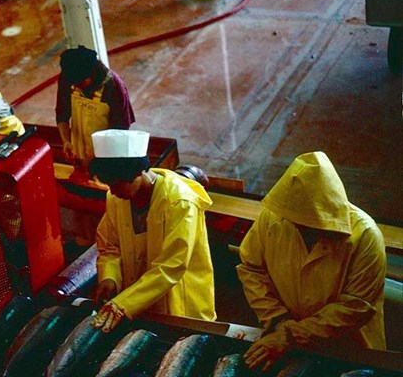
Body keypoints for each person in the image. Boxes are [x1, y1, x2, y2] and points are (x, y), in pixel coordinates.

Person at [237, 151, 387, 372]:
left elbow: (356, 306)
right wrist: (278, 321)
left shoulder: (365, 235)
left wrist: (289, 335)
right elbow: (251, 268)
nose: (301, 229)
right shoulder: (273, 218)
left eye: (310, 224)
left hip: (349, 349)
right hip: (283, 339)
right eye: (296, 223)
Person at [88, 129, 216, 333]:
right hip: (136, 299)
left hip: (178, 302)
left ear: (137, 172)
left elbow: (170, 267)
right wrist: (109, 277)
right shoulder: (116, 198)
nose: (112, 192)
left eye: (117, 184)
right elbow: (110, 247)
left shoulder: (180, 202)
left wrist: (123, 304)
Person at [55, 46, 135, 165]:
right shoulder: (67, 78)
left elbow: (120, 130)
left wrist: (99, 156)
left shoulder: (113, 87)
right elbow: (62, 115)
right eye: (74, 83)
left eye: (81, 83)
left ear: (93, 74)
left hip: (106, 155)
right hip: (78, 151)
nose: (77, 87)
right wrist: (66, 141)